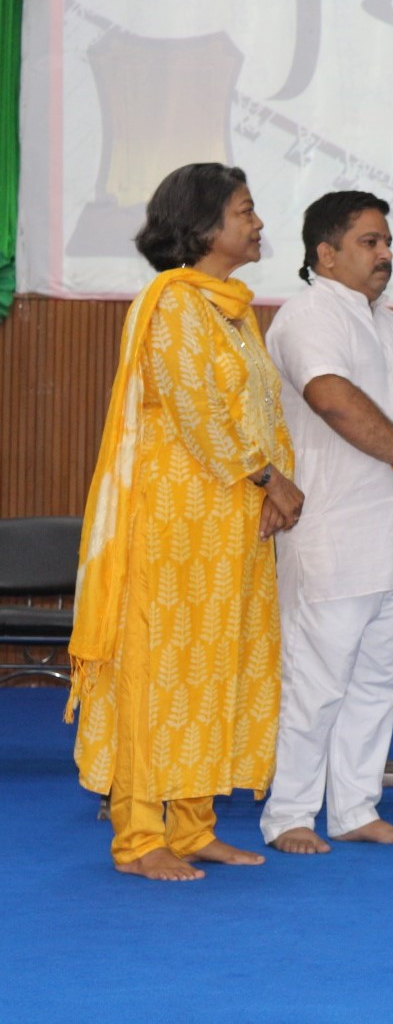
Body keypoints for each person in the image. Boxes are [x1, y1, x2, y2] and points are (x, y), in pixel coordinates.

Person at [67, 163, 303, 882]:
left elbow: (263, 412)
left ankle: (193, 827)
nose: (258, 224)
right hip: (172, 526)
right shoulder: (171, 302)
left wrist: (273, 486)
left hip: (232, 524)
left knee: (213, 669)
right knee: (157, 674)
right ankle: (139, 839)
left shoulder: (233, 310)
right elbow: (198, 411)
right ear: (203, 227)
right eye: (245, 211)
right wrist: (268, 477)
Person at [259, 191, 393, 854]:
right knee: (316, 681)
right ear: (326, 253)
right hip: (337, 531)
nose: (385, 254)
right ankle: (289, 814)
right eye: (370, 242)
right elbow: (331, 398)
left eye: (387, 242)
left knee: (379, 681)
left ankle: (354, 808)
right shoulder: (307, 315)